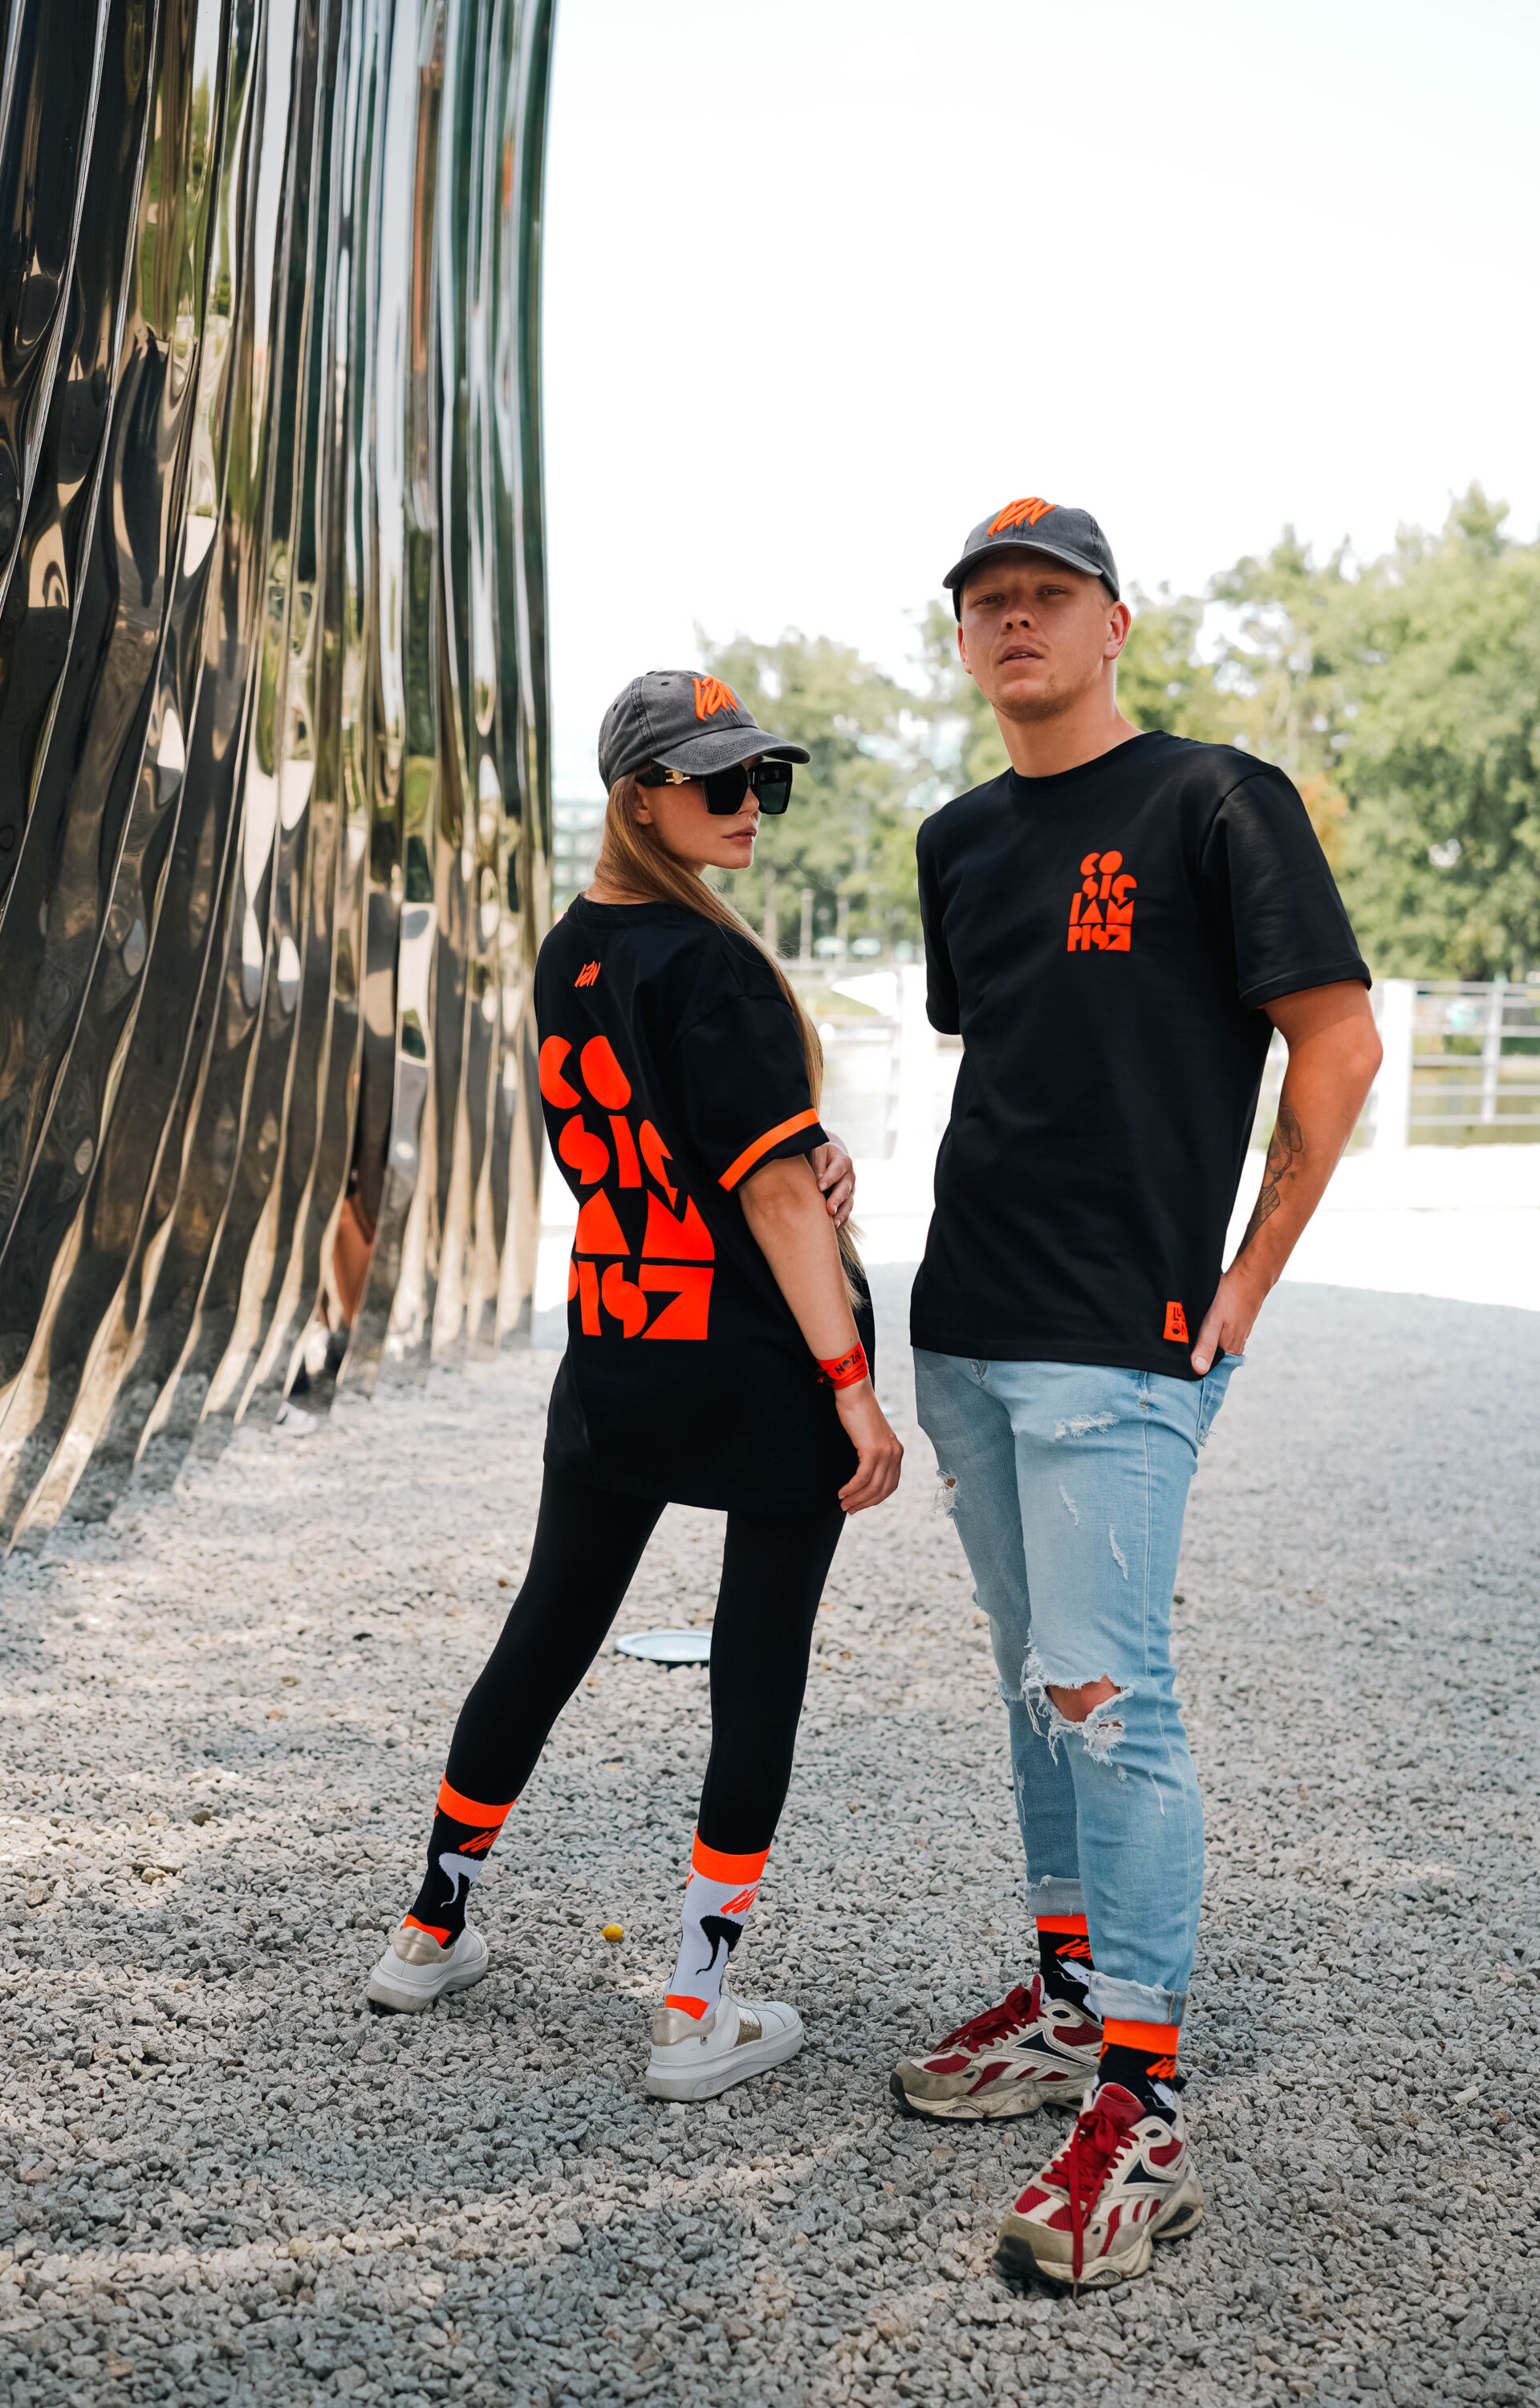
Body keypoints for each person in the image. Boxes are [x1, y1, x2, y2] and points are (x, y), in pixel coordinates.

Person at [891, 499, 1381, 2288]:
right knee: (1039, 1684)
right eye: (986, 604)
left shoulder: (1213, 802)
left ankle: (1145, 2109)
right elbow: (1014, 1053)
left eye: (1049, 596)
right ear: (963, 640)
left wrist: (1246, 1279)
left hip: (1123, 1332)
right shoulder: (957, 839)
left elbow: (1337, 1038)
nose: (1014, 622)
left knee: (1112, 1697)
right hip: (966, 1323)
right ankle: (1067, 1997)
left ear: (1114, 623)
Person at [368, 669, 902, 2100]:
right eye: (720, 782)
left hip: (619, 1341)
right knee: (758, 1662)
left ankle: (428, 1931)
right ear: (639, 799)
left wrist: (801, 1152)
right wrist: (851, 1383)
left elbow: (702, 1150)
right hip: (756, 1362)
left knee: (547, 1629)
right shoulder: (713, 963)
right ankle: (694, 2008)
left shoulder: (572, 950)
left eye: (762, 781)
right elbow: (774, 1204)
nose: (750, 806)